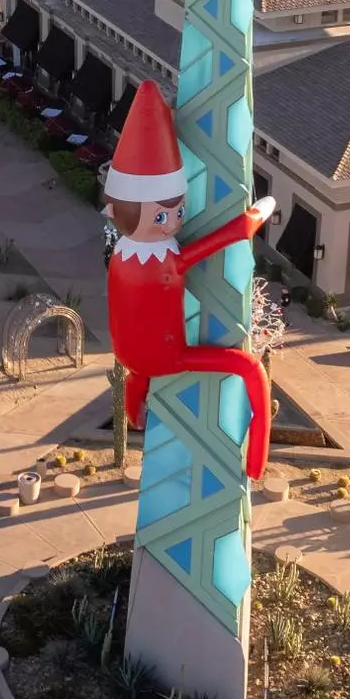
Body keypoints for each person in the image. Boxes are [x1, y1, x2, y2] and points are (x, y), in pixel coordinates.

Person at [103, 80, 276, 480]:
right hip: (169, 357)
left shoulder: (119, 258)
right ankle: (255, 463)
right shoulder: (166, 261)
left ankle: (135, 414)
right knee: (251, 368)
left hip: (130, 356)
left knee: (138, 370)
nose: (172, 223)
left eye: (176, 213)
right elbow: (230, 235)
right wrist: (256, 214)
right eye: (163, 215)